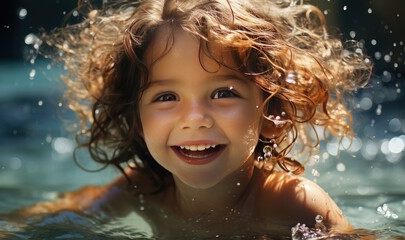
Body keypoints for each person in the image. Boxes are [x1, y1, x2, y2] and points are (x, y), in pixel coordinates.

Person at [26, 0, 372, 237]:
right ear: (137, 118)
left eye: (223, 93)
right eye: (166, 97)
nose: (194, 118)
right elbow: (53, 218)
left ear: (271, 112)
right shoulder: (143, 188)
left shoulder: (293, 202)